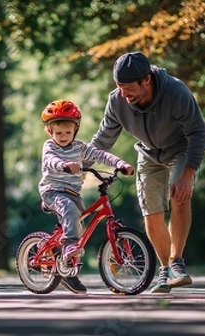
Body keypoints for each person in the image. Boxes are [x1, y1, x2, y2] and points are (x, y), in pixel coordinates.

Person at [86, 52, 205, 293]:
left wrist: (187, 174)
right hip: (148, 153)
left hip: (180, 149)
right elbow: (103, 139)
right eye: (119, 87)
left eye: (128, 87)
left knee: (179, 195)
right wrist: (80, 164)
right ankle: (165, 271)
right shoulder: (117, 101)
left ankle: (177, 263)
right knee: (151, 211)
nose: (123, 94)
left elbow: (198, 134)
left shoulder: (175, 92)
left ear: (146, 80)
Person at [38, 99, 134, 294]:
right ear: (50, 131)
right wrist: (64, 165)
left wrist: (120, 164)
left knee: (78, 225)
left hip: (73, 193)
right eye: (58, 133)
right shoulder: (50, 147)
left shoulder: (80, 148)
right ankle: (68, 248)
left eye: (67, 132)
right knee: (71, 214)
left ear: (76, 129)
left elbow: (100, 155)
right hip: (52, 191)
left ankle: (69, 271)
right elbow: (50, 160)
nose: (63, 136)